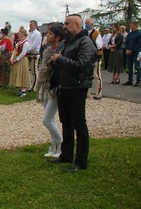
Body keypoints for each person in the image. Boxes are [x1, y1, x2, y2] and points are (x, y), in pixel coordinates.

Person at [49, 14, 96, 172]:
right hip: (64, 86)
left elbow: (81, 64)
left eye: (68, 24)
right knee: (65, 122)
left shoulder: (86, 42)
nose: (64, 27)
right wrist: (56, 60)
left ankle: (81, 161)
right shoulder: (66, 42)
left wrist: (60, 60)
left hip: (77, 86)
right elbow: (55, 59)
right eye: (65, 23)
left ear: (78, 25)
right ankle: (66, 154)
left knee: (79, 124)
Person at [36, 23, 64, 158]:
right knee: (51, 119)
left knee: (46, 120)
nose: (47, 35)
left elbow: (53, 67)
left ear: (57, 37)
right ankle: (54, 146)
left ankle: (61, 143)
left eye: (50, 34)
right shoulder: (47, 51)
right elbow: (44, 67)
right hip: (45, 85)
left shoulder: (59, 52)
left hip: (53, 86)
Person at [85, 17, 103, 97]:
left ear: (92, 24)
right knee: (87, 75)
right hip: (87, 57)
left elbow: (99, 45)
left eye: (87, 23)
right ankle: (88, 92)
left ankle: (99, 92)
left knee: (96, 75)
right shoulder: (84, 33)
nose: (86, 25)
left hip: (96, 57)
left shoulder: (97, 33)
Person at [9, 28, 30, 97]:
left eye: (19, 33)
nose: (18, 35)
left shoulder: (26, 42)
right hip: (17, 59)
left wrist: (16, 59)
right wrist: (11, 58)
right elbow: (15, 50)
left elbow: (24, 52)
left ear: (23, 34)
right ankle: (20, 90)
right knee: (18, 73)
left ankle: (23, 91)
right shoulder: (19, 42)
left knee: (22, 73)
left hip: (22, 59)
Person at [123, 21, 141, 87]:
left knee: (138, 67)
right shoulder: (129, 34)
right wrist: (127, 49)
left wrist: (132, 51)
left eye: (131, 25)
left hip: (136, 53)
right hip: (129, 52)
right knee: (130, 66)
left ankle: (138, 81)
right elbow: (126, 42)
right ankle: (130, 80)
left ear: (135, 25)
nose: (130, 26)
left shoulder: (140, 34)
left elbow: (139, 44)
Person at [106, 24, 124, 89]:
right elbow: (109, 42)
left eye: (114, 27)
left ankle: (117, 77)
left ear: (117, 28)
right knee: (113, 63)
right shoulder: (112, 35)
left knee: (118, 63)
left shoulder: (120, 35)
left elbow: (119, 43)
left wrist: (113, 47)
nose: (113, 28)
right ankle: (113, 77)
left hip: (118, 50)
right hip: (112, 50)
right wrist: (110, 47)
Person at [27, 20, 42, 91]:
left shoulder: (37, 34)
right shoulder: (30, 33)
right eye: (29, 25)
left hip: (34, 53)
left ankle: (34, 86)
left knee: (34, 70)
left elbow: (34, 45)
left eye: (31, 25)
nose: (30, 26)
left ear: (35, 26)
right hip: (29, 53)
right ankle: (30, 84)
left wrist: (27, 50)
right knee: (29, 70)